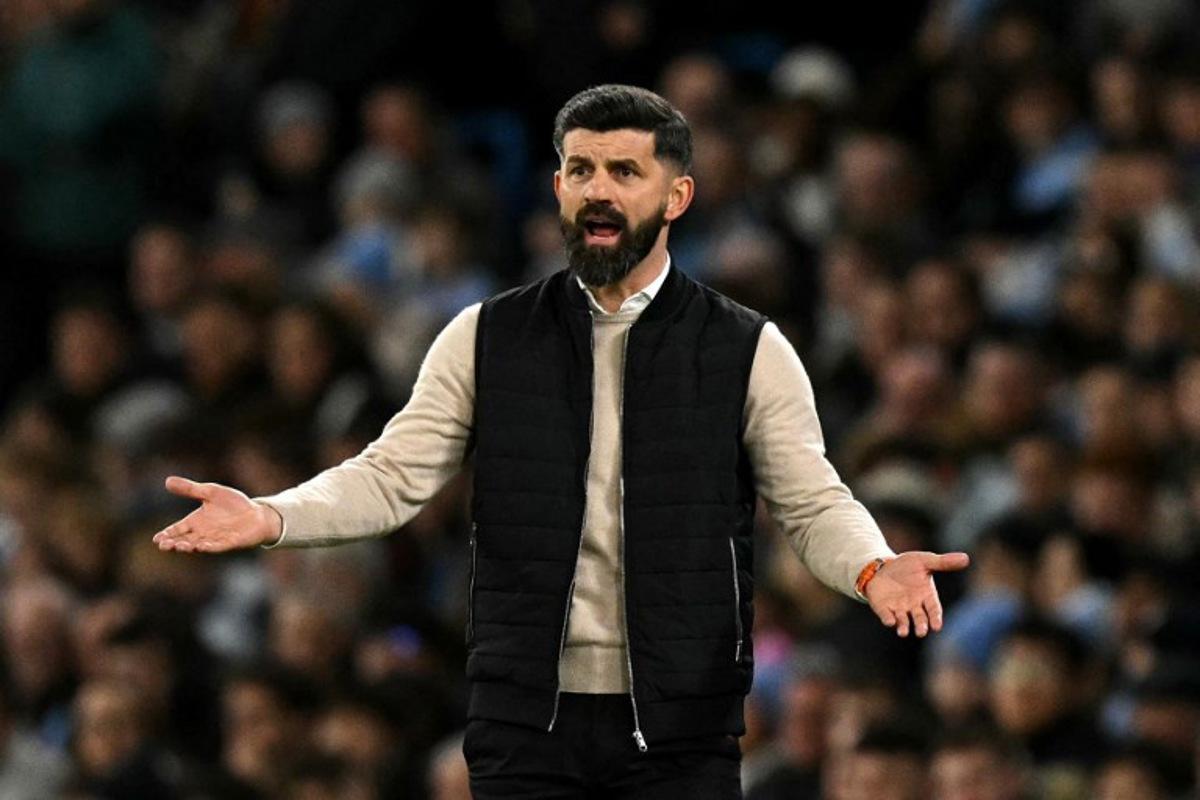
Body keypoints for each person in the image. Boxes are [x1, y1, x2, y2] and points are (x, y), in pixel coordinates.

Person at [153, 84, 969, 799]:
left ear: (677, 195)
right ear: (555, 187)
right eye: (581, 171)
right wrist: (273, 515)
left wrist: (871, 566)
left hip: (682, 725)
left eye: (624, 172)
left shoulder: (747, 348)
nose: (598, 192)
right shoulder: (484, 336)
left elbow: (811, 499)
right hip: (523, 719)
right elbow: (393, 475)